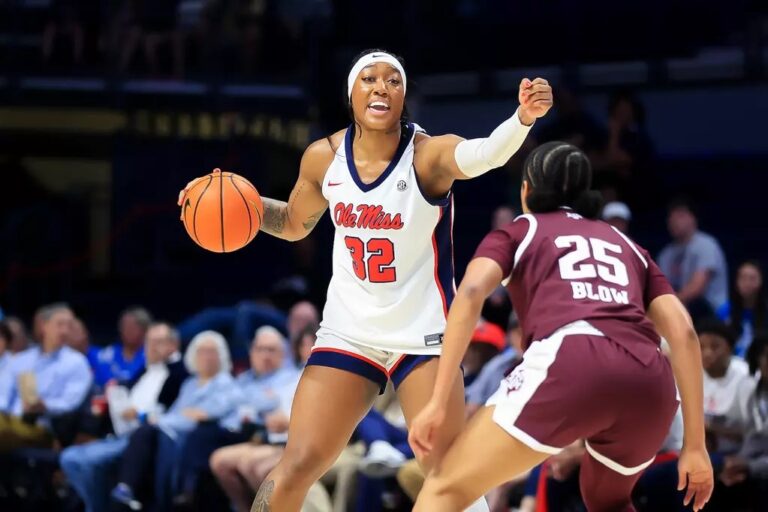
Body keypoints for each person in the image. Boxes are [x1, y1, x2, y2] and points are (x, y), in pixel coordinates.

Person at [178, 48, 552, 511]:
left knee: (447, 473)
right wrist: (235, 203)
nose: (381, 87)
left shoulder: (427, 156)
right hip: (350, 330)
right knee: (297, 464)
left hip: (422, 333)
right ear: (351, 93)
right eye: (369, 79)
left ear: (403, 96)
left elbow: (485, 154)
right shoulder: (323, 158)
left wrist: (522, 119)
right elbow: (294, 222)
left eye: (393, 80)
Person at [409, 142, 714, 512]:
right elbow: (684, 334)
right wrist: (695, 447)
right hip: (650, 380)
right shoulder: (629, 246)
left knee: (445, 486)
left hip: (573, 358)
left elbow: (472, 291)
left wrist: (439, 401)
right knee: (608, 500)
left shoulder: (521, 229)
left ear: (526, 190)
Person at [59, 322, 187, 512]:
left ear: (173, 344)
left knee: (83, 462)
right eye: (149, 342)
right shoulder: (146, 369)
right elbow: (126, 393)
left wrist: (140, 415)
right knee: (69, 458)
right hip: (120, 432)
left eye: (158, 342)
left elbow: (171, 416)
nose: (152, 347)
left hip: (144, 439)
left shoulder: (181, 373)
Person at [0, 303, 92, 452]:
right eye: (60, 324)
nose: (65, 331)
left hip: (44, 427)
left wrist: (45, 406)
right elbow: (3, 397)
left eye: (69, 325)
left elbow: (71, 404)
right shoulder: (21, 359)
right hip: (10, 420)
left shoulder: (77, 362)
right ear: (44, 326)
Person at [657, 198, 728, 319]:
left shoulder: (706, 245)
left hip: (712, 312)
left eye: (680, 216)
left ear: (693, 218)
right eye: (671, 218)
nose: (674, 221)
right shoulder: (666, 254)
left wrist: (669, 303)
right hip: (680, 311)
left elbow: (697, 288)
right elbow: (661, 287)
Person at [717, 260, 768, 358]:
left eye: (752, 279)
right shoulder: (724, 311)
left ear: (761, 281)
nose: (747, 283)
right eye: (743, 278)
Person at [92, 306, 152, 387]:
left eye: (132, 327)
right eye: (124, 326)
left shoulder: (151, 354)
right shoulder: (107, 355)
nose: (127, 331)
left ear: (144, 330)